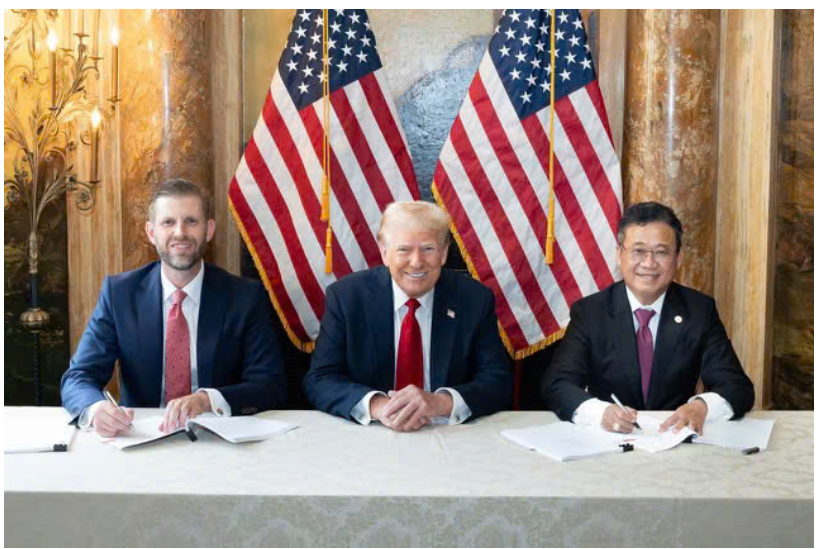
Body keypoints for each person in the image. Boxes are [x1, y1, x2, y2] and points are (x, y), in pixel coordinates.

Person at [61, 179, 286, 436]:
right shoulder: (120, 295)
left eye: (191, 221)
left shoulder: (244, 297)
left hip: (216, 437)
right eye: (168, 222)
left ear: (209, 230)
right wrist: (95, 409)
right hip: (141, 437)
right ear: (151, 232)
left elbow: (271, 384)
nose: (180, 232)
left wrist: (208, 400)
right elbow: (78, 377)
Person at [542, 201, 754, 435]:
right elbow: (557, 384)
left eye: (661, 252)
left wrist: (702, 406)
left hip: (674, 440)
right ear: (619, 254)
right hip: (609, 441)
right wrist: (600, 413)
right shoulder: (590, 312)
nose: (649, 263)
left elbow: (737, 387)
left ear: (678, 258)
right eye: (638, 251)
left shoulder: (699, 310)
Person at [304, 201, 511, 431]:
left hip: (447, 432)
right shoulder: (347, 297)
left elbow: (497, 380)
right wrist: (380, 406)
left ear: (443, 253)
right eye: (404, 249)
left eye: (428, 249)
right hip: (372, 433)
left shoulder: (474, 299)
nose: (416, 262)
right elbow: (320, 379)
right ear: (385, 253)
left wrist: (441, 402)